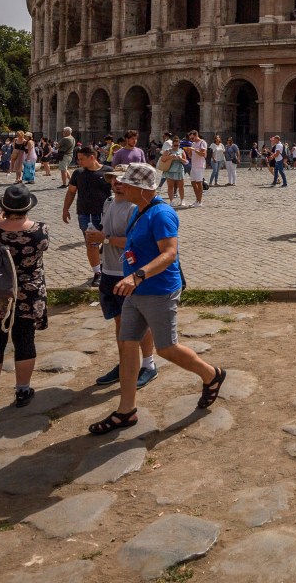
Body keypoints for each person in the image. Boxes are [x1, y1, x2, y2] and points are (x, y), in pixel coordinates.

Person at [88, 163, 226, 435]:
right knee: (128, 345)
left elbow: (169, 253)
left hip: (158, 290)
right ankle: (126, 410)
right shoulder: (139, 210)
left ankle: (211, 375)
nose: (120, 186)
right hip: (135, 291)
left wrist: (137, 276)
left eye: (126, 183)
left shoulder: (161, 213)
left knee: (166, 349)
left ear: (141, 189)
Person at [0, 184, 49, 414]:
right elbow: (44, 247)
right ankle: (23, 390)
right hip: (27, 293)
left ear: (4, 207)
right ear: (27, 207)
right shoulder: (40, 230)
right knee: (25, 340)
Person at [89, 164, 159, 390]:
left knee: (141, 322)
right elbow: (106, 233)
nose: (116, 182)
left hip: (129, 273)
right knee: (120, 321)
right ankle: (125, 364)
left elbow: (135, 242)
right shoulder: (109, 202)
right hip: (109, 270)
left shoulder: (135, 207)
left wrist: (105, 238)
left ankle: (148, 364)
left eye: (121, 179)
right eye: (113, 178)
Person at [62, 145, 112, 287]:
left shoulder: (108, 172)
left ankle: (106, 266)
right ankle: (98, 273)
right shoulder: (78, 173)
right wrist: (65, 209)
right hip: (86, 214)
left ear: (92, 157)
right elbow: (71, 192)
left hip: (107, 214)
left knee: (108, 242)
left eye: (82, 159)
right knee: (91, 244)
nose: (79, 162)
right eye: (78, 159)